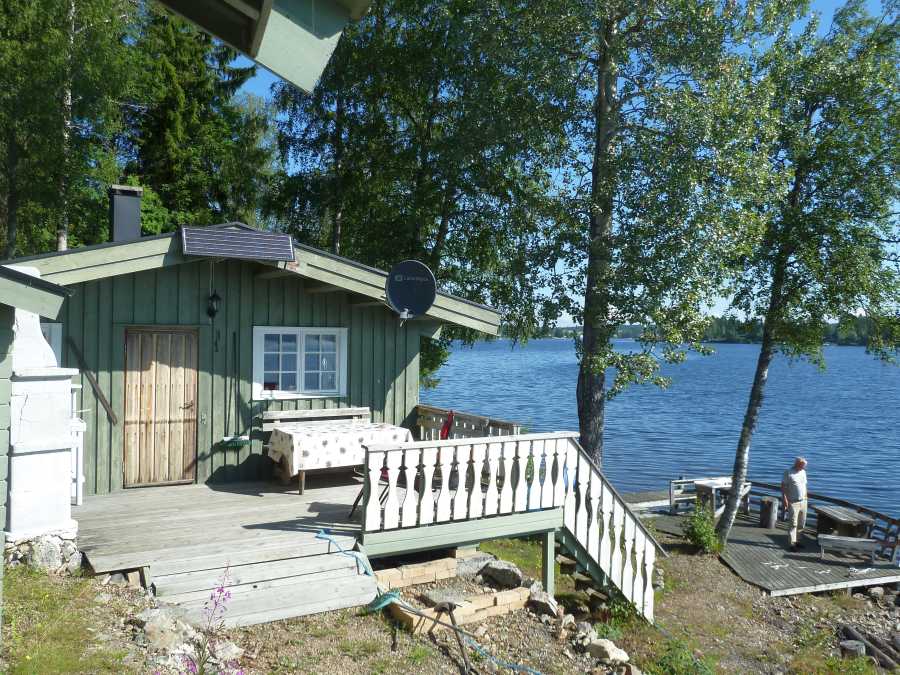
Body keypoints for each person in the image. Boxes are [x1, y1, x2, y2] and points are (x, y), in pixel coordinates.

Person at [782, 456, 808, 550]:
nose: (803, 467)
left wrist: (806, 497)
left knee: (802, 523)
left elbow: (805, 486)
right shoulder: (788, 472)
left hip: (803, 501)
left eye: (804, 466)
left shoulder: (803, 472)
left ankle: (798, 541)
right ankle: (792, 544)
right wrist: (785, 499)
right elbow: (783, 486)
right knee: (793, 523)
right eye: (802, 465)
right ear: (797, 464)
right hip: (793, 501)